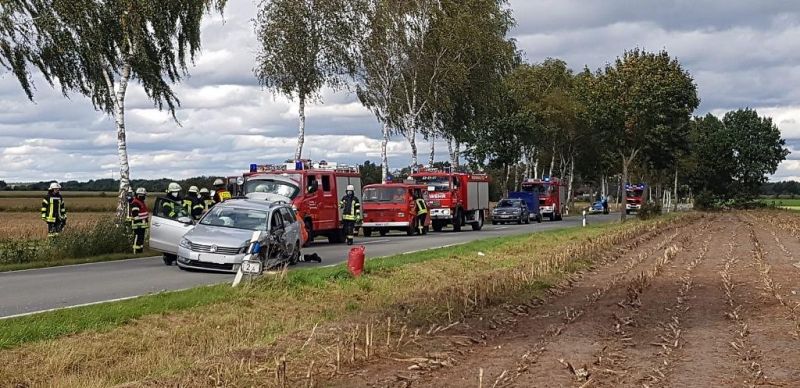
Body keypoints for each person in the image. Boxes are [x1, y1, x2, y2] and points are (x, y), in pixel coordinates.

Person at [129, 188, 150, 253]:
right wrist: (140, 220)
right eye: (143, 195)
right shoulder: (135, 202)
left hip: (142, 224)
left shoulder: (141, 202)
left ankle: (140, 251)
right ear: (139, 195)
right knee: (137, 237)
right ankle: (135, 251)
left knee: (141, 239)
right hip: (137, 224)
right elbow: (135, 214)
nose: (144, 197)